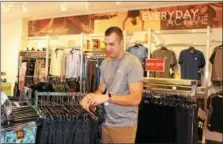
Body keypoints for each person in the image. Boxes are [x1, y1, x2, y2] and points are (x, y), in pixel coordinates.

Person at [80, 26, 143, 143]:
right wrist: (90, 98)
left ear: (122, 43)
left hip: (124, 125)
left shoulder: (133, 63)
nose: (108, 48)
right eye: (106, 44)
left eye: (112, 44)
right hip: (106, 123)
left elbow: (136, 98)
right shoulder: (105, 63)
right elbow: (101, 89)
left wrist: (106, 97)